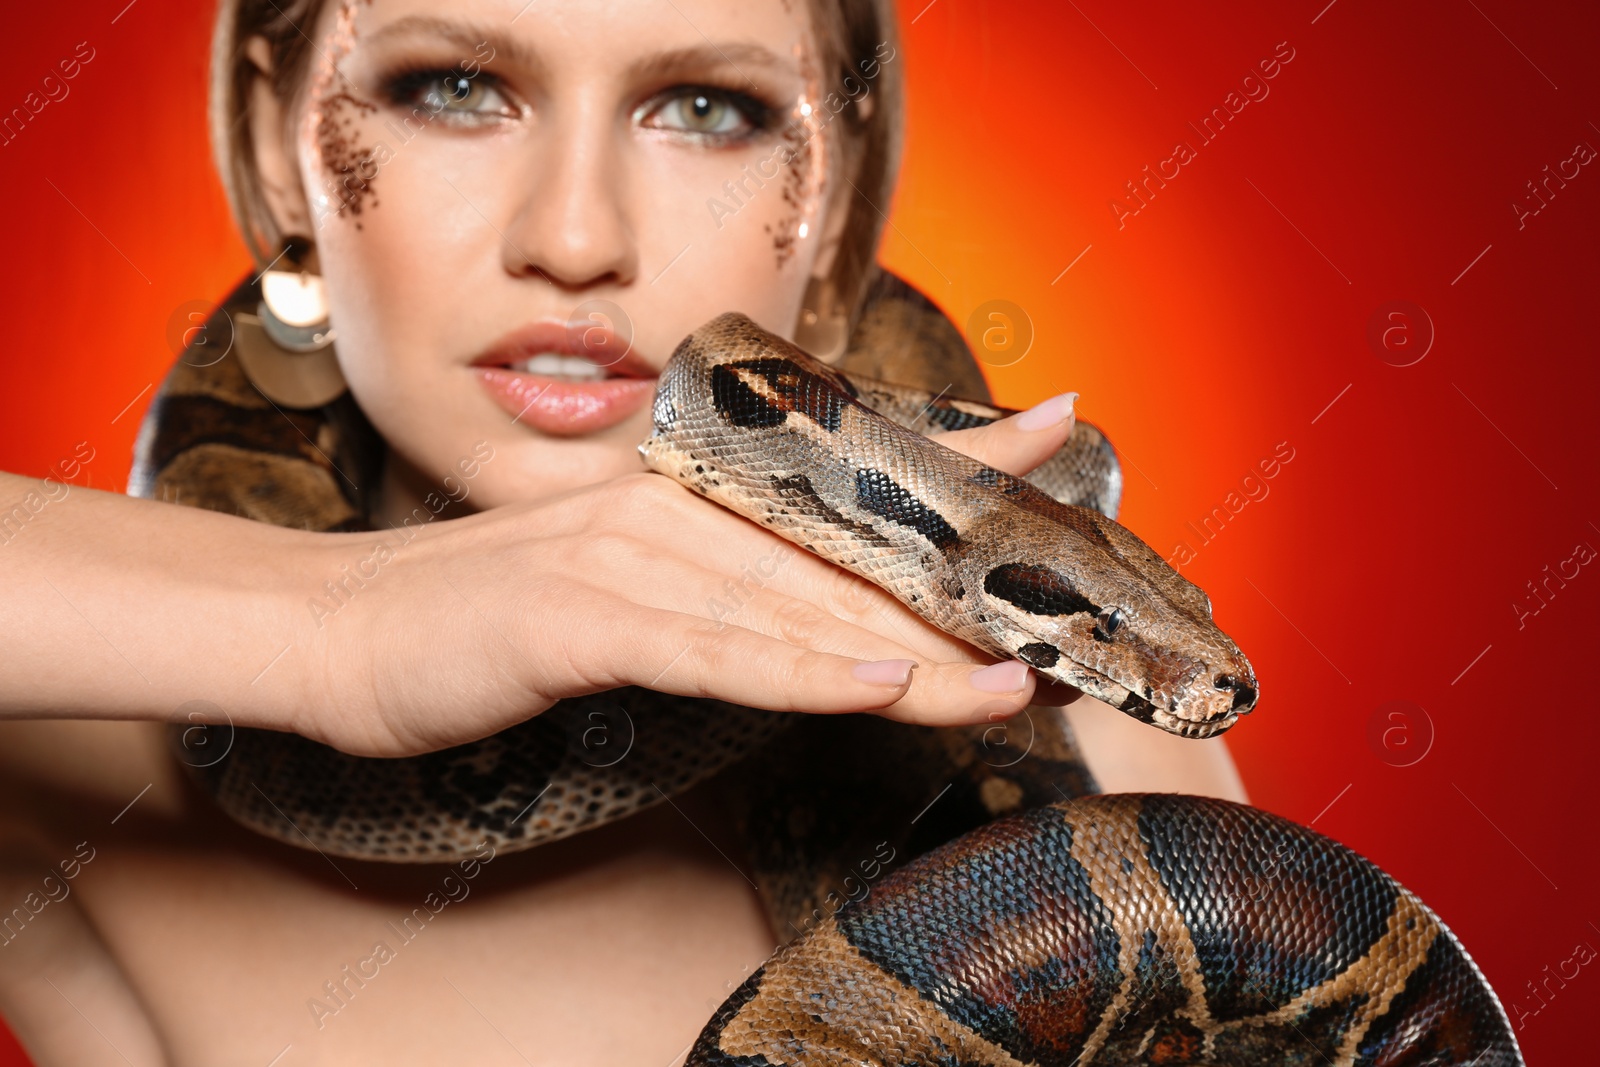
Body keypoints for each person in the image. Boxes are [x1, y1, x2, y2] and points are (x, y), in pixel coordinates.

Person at [0, 0, 1244, 1062]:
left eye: (707, 108)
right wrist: (334, 625)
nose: (575, 240)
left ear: (840, 196)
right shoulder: (71, 764)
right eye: (454, 86)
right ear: (284, 150)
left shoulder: (1108, 768)